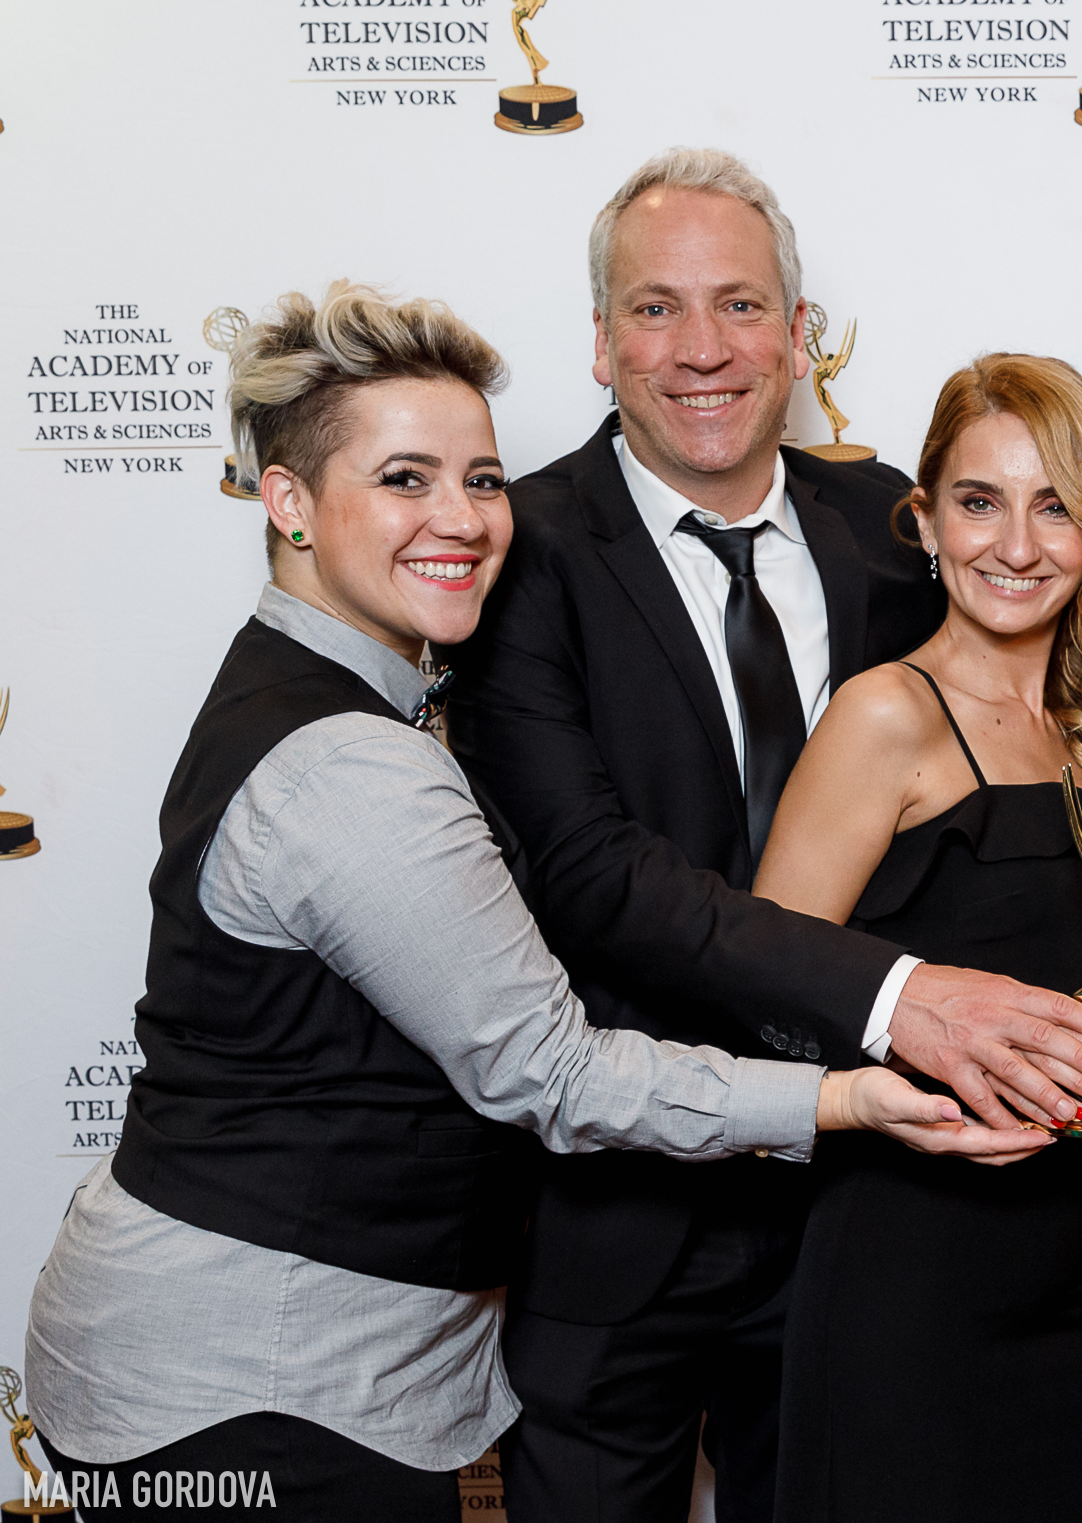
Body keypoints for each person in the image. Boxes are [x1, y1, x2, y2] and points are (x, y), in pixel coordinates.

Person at [21, 283, 1019, 1522]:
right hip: (249, 1385)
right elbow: (553, 1071)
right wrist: (850, 1096)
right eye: (404, 479)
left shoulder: (315, 683)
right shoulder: (350, 764)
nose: (461, 518)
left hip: (283, 1367)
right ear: (287, 502)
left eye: (482, 479)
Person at [441, 150, 1082, 1521]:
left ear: (800, 335)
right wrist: (901, 1000)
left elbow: (1045, 598)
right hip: (625, 1212)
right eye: (657, 308)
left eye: (741, 305)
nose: (703, 348)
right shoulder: (524, 553)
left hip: (856, 1220)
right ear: (600, 342)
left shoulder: (888, 527)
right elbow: (587, 876)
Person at [753, 352, 1082, 1523]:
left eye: (1055, 506)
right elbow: (765, 993)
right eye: (981, 502)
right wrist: (893, 1093)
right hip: (912, 1267)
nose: (1017, 545)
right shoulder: (885, 713)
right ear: (925, 521)